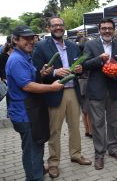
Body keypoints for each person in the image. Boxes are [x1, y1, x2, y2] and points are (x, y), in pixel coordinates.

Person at [32, 17, 92, 179]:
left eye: (60, 24)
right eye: (55, 25)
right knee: (55, 130)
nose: (58, 27)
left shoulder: (72, 46)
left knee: (74, 126)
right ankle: (53, 163)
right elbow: (37, 71)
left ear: (64, 27)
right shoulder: (41, 46)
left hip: (73, 90)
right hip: (54, 91)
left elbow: (79, 67)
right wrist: (53, 72)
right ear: (49, 28)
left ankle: (76, 154)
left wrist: (79, 68)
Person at [6, 25, 64, 181]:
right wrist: (52, 88)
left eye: (32, 38)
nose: (30, 41)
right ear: (15, 40)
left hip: (30, 110)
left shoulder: (25, 56)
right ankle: (34, 177)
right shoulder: (17, 60)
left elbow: (29, 78)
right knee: (32, 150)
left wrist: (41, 73)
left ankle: (37, 172)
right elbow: (27, 85)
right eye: (26, 38)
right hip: (24, 113)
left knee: (36, 146)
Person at [83, 18, 117, 170]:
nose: (107, 31)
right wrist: (99, 60)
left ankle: (113, 149)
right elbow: (84, 65)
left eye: (109, 28)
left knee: (113, 122)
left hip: (113, 90)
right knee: (98, 123)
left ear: (113, 30)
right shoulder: (90, 45)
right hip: (96, 90)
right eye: (104, 28)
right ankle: (99, 154)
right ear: (99, 30)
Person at [77, 36, 92, 139]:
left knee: (84, 109)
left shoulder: (77, 56)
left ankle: (87, 130)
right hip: (87, 83)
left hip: (80, 84)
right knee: (89, 109)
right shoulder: (87, 57)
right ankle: (91, 131)